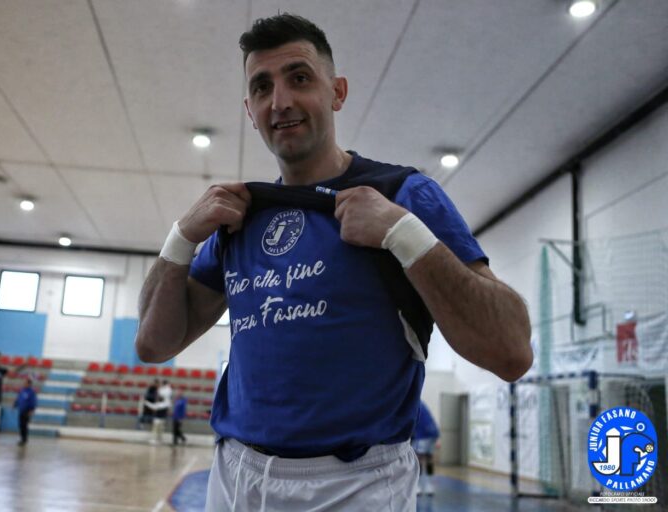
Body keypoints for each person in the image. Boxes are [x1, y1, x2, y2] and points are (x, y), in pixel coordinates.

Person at [136, 13, 532, 510]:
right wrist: (180, 237)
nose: (279, 101)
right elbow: (153, 343)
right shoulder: (240, 216)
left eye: (299, 78)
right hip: (234, 477)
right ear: (249, 109)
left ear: (337, 92)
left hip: (355, 485)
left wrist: (403, 234)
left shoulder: (403, 195)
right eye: (262, 88)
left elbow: (512, 350)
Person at [412, 401, 440, 496]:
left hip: (423, 434)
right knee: (428, 459)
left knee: (418, 459)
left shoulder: (412, 403)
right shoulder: (421, 403)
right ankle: (429, 487)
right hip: (433, 433)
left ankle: (418, 487)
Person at [14, 377, 37, 446]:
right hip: (21, 410)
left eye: (25, 383)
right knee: (21, 425)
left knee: (24, 425)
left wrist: (31, 410)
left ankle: (24, 439)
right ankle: (22, 438)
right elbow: (19, 398)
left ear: (29, 384)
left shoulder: (31, 392)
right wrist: (15, 403)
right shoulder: (22, 390)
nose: (24, 384)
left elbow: (33, 401)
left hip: (27, 411)